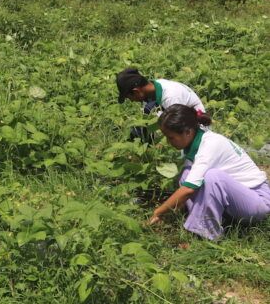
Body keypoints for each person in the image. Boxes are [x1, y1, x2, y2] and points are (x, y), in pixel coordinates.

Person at [148, 104, 270, 240]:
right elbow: (188, 184)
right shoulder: (193, 142)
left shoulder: (210, 145)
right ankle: (209, 221)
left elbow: (188, 190)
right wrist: (168, 213)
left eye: (171, 137)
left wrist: (158, 212)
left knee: (213, 177)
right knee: (186, 175)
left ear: (187, 132)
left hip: (258, 202)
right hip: (238, 202)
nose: (168, 142)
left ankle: (204, 234)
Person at [116, 68, 207, 142]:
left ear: (136, 91)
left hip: (195, 128)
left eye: (130, 97)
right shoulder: (155, 87)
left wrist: (162, 143)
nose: (131, 101)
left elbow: (179, 129)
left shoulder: (171, 97)